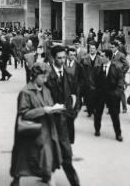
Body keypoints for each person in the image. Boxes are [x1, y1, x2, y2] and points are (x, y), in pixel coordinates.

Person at [10, 62, 70, 186]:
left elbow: (50, 103)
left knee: (48, 154)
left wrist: (55, 108)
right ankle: (17, 179)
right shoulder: (25, 92)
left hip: (47, 129)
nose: (45, 79)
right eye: (43, 77)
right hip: (31, 130)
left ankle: (48, 177)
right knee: (24, 158)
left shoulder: (46, 89)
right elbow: (24, 113)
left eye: (46, 77)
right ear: (35, 76)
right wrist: (43, 110)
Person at [45, 46, 80, 184]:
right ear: (53, 58)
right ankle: (49, 178)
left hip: (65, 121)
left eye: (63, 57)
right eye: (59, 58)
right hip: (50, 120)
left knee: (67, 155)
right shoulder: (46, 75)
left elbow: (77, 96)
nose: (62, 60)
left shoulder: (69, 74)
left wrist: (73, 113)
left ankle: (75, 183)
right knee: (49, 151)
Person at [92, 49, 124, 141]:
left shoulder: (116, 68)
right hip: (100, 94)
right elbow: (92, 80)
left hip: (112, 94)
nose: (101, 58)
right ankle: (97, 129)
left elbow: (121, 81)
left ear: (108, 57)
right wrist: (94, 91)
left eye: (102, 56)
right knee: (98, 113)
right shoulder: (98, 68)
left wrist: (117, 93)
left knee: (115, 115)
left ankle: (118, 134)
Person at [110, 41, 129, 114]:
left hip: (120, 77)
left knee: (121, 92)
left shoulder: (121, 55)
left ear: (117, 47)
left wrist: (122, 73)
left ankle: (124, 107)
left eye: (113, 47)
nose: (111, 49)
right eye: (110, 47)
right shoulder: (110, 55)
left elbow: (127, 65)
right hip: (112, 76)